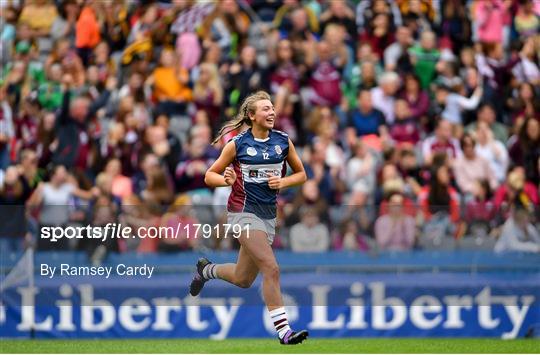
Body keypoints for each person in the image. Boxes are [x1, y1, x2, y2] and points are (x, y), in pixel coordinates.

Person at [189, 91, 308, 345]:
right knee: (272, 268)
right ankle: (284, 332)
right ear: (252, 116)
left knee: (243, 279)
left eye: (273, 108)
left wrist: (283, 181)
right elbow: (209, 175)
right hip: (242, 213)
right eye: (265, 109)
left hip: (267, 217)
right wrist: (225, 180)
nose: (272, 112)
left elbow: (302, 175)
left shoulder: (283, 142)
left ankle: (206, 270)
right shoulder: (238, 144)